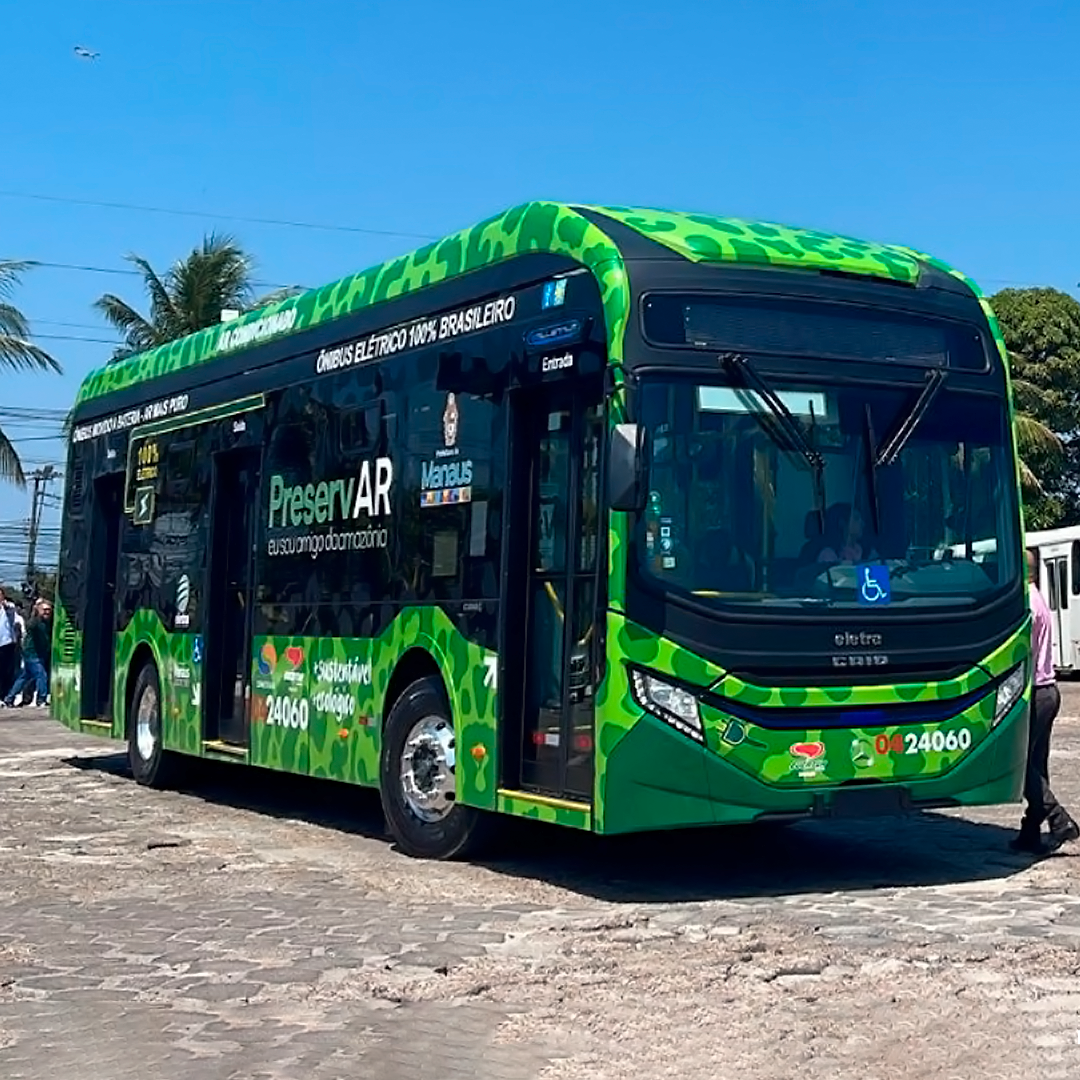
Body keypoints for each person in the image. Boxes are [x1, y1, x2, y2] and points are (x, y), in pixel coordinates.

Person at [1011, 549, 1080, 854]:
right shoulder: (1039, 598)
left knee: (1020, 765)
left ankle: (1059, 819)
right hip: (1049, 690)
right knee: (1037, 764)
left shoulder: (1025, 603)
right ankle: (1030, 832)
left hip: (1035, 692)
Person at [1, 598, 50, 710]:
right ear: (39, 610)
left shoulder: (46, 622)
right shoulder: (35, 621)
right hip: (32, 654)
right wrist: (35, 610)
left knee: (24, 677)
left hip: (39, 654)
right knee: (41, 675)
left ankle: (9, 699)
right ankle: (41, 699)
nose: (47, 612)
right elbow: (29, 625)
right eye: (44, 610)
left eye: (49, 610)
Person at [0, 586, 21, 700]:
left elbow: (10, 611)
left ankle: (4, 695)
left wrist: (4, 605)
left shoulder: (9, 607)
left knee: (6, 671)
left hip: (6, 643)